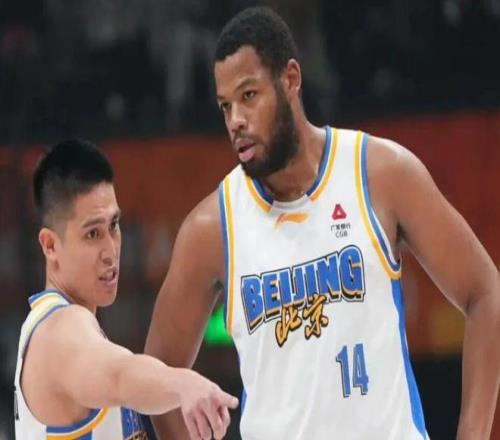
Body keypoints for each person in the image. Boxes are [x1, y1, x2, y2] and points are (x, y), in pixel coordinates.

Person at [145, 7, 500, 440]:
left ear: (291, 79)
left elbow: (486, 293)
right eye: (225, 106)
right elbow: (157, 377)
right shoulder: (211, 227)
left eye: (249, 95)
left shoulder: (381, 173)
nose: (235, 119)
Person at [14, 140, 238, 440]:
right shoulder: (59, 329)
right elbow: (118, 374)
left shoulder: (68, 328)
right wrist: (183, 384)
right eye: (93, 234)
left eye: (114, 225)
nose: (111, 251)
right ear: (50, 245)